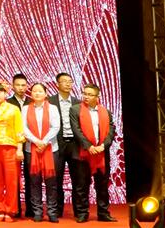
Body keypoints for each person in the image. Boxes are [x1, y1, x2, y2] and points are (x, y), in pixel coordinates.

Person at [70, 83, 116, 223]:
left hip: (101, 153)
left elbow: (111, 131)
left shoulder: (106, 111)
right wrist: (88, 146)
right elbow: (76, 130)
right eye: (84, 93)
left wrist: (103, 146)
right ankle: (82, 213)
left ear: (97, 96)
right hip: (82, 153)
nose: (86, 97)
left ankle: (103, 213)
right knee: (82, 185)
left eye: (90, 94)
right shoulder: (75, 109)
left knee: (102, 185)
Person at [0, 82, 25, 222]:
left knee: (11, 180)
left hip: (10, 147)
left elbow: (19, 129)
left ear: (5, 94)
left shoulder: (14, 109)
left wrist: (19, 149)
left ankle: (10, 210)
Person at [23, 82, 61, 222]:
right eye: (34, 91)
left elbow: (56, 126)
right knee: (34, 181)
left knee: (51, 182)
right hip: (31, 149)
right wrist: (36, 141)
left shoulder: (53, 108)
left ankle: (52, 211)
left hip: (50, 148)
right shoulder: (25, 109)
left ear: (46, 93)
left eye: (40, 91)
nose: (37, 93)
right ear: (31, 93)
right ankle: (37, 211)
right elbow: (24, 128)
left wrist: (44, 141)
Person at [49, 73, 81, 222]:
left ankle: (79, 211)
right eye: (64, 81)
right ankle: (57, 210)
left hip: (74, 144)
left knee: (78, 179)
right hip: (57, 143)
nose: (68, 84)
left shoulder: (78, 102)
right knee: (56, 178)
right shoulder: (50, 102)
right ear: (57, 84)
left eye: (70, 81)